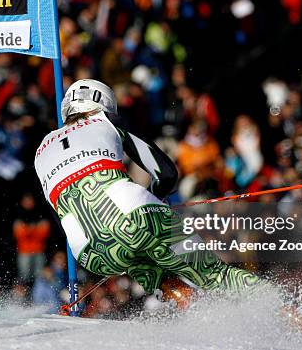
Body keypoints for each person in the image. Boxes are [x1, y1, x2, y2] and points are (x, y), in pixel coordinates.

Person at [34, 79, 263, 303]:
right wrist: (156, 201)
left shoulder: (40, 152)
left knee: (154, 271)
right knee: (213, 273)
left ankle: (190, 307)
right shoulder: (104, 124)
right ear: (102, 107)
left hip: (89, 254)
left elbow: (60, 215)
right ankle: (284, 309)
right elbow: (166, 174)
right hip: (137, 216)